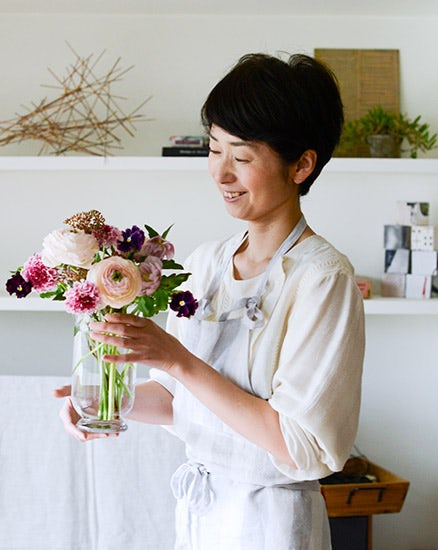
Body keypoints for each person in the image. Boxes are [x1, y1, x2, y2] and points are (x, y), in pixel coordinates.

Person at [54, 52, 365, 549]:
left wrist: (175, 358)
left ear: (302, 164)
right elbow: (183, 404)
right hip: (202, 514)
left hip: (271, 523)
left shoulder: (323, 279)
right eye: (213, 149)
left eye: (241, 157)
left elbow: (302, 446)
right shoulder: (207, 264)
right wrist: (103, 400)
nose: (221, 174)